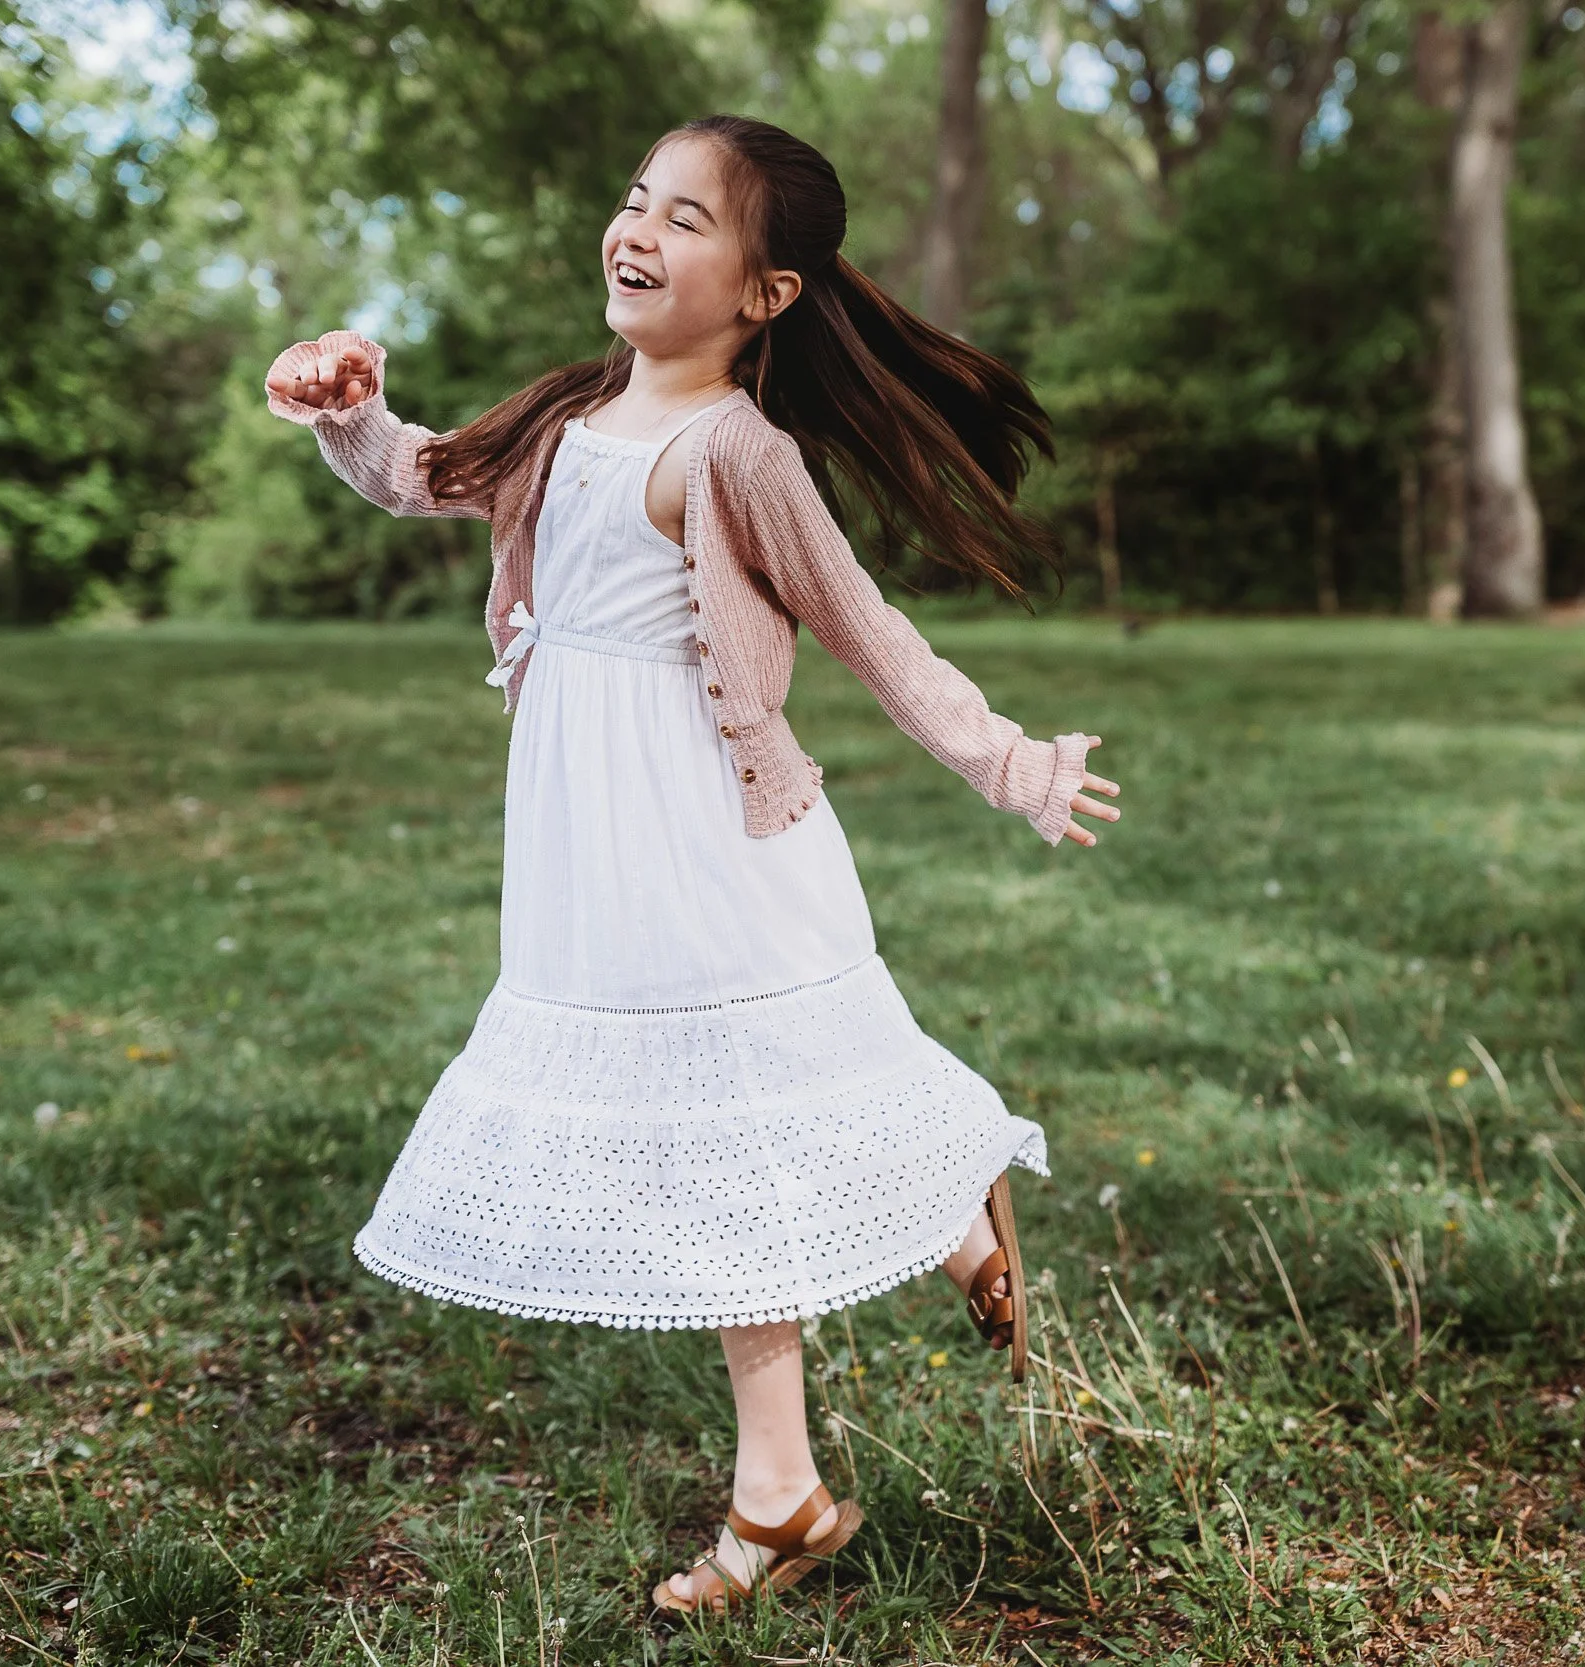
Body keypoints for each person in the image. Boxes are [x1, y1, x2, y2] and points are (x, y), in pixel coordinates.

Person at [265, 115, 1121, 1615]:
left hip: (713, 845)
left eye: (686, 218)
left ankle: (786, 1473)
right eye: (633, 202)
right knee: (713, 1149)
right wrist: (350, 409)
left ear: (767, 291)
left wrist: (1011, 761)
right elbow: (417, 474)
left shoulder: (739, 450)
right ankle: (898, 1290)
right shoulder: (564, 421)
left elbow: (868, 630)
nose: (638, 232)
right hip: (591, 850)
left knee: (730, 1148)